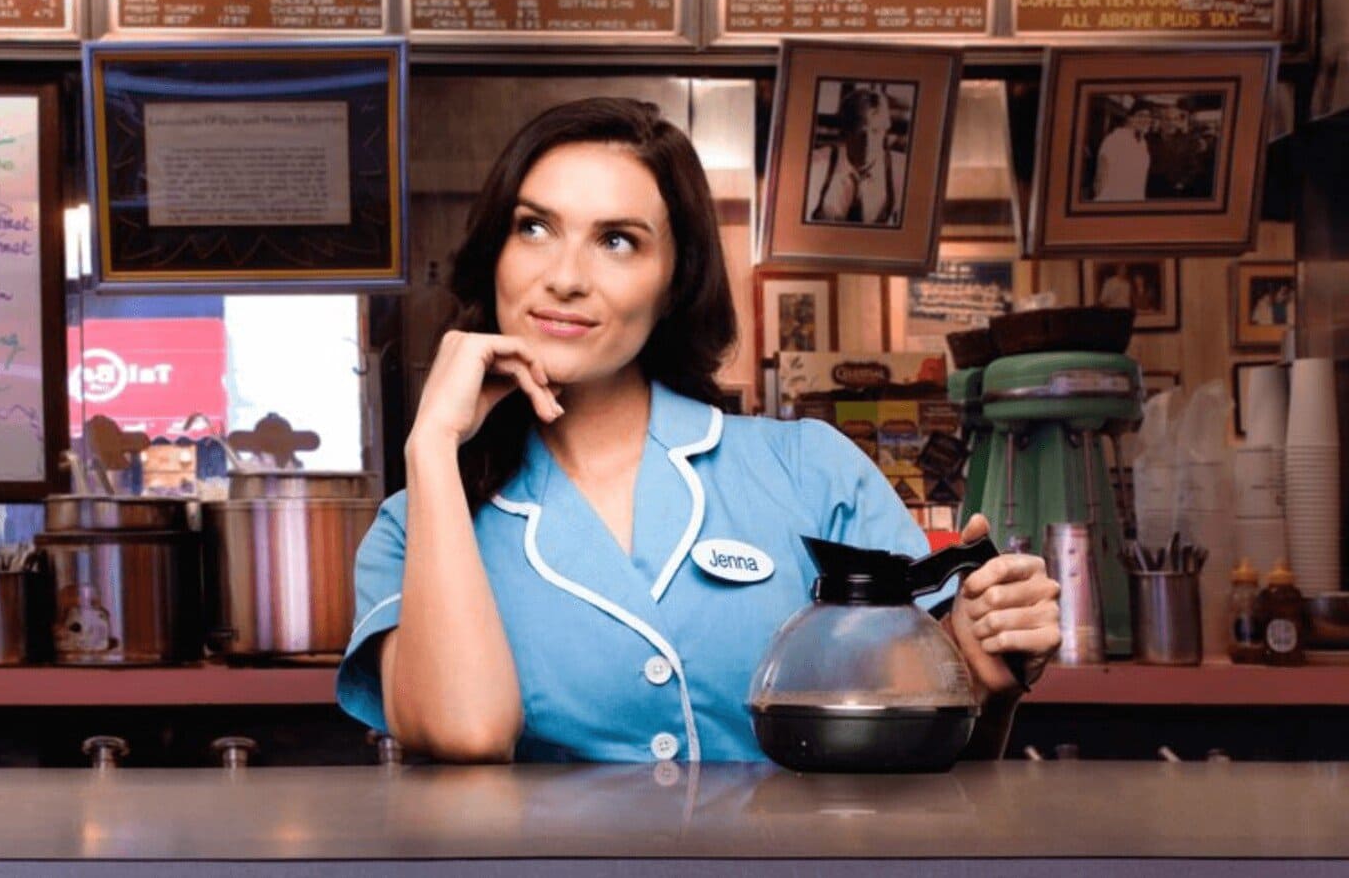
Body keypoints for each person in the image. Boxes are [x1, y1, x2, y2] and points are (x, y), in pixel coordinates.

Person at [336, 97, 1061, 763]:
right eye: (534, 228)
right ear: (495, 253)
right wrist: (430, 445)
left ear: (675, 279)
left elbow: (912, 763)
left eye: (617, 241)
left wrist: (976, 661)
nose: (564, 277)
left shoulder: (809, 473)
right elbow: (467, 731)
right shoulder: (417, 529)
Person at [804, 86, 908, 227]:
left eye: (875, 131)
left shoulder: (903, 171)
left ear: (886, 131)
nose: (868, 143)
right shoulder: (816, 165)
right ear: (845, 133)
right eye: (860, 134)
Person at [1147, 98, 1211, 200]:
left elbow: (1194, 166)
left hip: (1174, 193)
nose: (1171, 122)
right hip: (1151, 191)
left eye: (1175, 119)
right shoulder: (1149, 139)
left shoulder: (1187, 140)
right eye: (1167, 119)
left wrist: (1182, 183)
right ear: (1161, 121)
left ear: (1178, 121)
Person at [1091, 100, 1154, 202]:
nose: (1145, 120)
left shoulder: (1143, 143)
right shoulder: (1114, 139)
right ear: (1129, 118)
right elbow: (1100, 178)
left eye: (1148, 116)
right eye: (1141, 115)